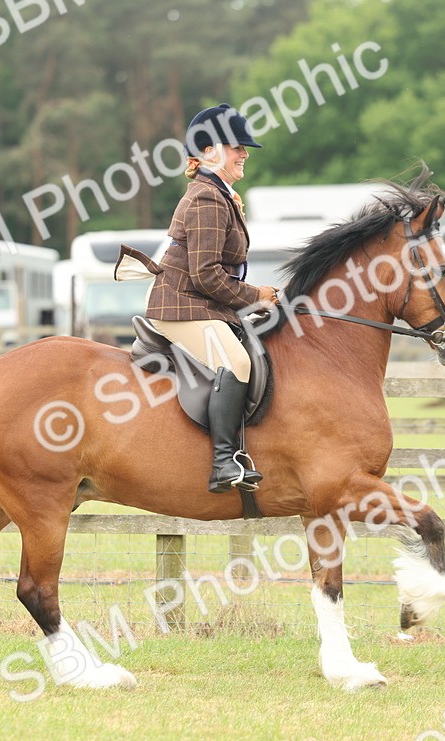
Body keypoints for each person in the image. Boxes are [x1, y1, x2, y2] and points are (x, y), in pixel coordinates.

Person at [145, 103, 279, 493]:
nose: (244, 153)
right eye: (236, 146)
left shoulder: (220, 195)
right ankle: (224, 462)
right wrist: (254, 296)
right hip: (182, 307)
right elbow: (205, 275)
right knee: (236, 361)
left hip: (203, 305)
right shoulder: (206, 198)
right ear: (209, 153)